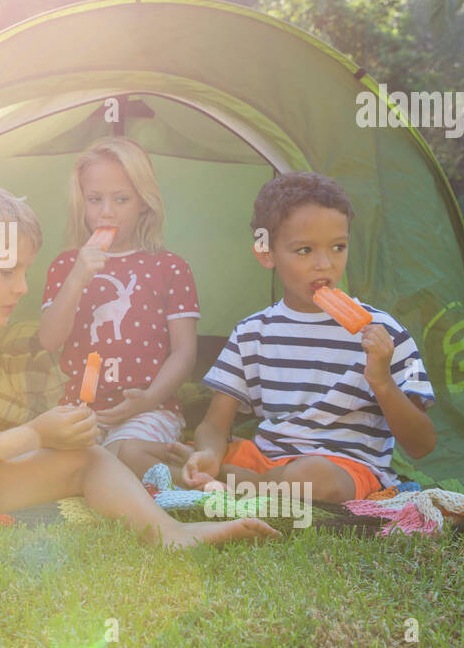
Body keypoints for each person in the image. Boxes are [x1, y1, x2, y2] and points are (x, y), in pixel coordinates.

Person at [0, 170, 278, 548]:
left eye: (25, 271)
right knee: (85, 462)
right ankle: (173, 537)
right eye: (7, 271)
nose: (22, 287)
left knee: (83, 458)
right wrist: (33, 435)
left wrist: (50, 437)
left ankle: (166, 528)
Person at [182, 172, 437, 503]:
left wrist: (382, 381)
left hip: (345, 470)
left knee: (313, 474)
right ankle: (225, 477)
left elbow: (422, 445)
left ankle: (237, 485)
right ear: (266, 253)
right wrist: (209, 454)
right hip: (266, 459)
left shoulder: (384, 332)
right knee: (143, 451)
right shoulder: (252, 332)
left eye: (338, 247)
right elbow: (214, 425)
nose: (324, 264)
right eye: (304, 250)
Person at [38, 137, 199, 480]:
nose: (106, 211)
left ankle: (192, 473)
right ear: (80, 202)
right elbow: (50, 341)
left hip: (150, 408)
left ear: (144, 202)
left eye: (121, 199)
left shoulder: (170, 267)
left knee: (122, 454)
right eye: (95, 199)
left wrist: (149, 398)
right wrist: (77, 278)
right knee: (56, 463)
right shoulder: (66, 264)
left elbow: (185, 351)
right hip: (80, 410)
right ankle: (150, 468)